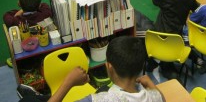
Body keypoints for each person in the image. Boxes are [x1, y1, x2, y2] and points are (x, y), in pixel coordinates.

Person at [18, 36, 165, 102]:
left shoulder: (101, 99)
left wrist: (69, 82)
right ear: (140, 68)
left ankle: (37, 96)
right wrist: (151, 84)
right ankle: (38, 97)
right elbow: (162, 99)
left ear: (109, 68)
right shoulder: (153, 96)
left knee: (27, 101)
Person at [149, 0, 199, 79]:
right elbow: (195, 8)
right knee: (178, 42)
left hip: (158, 35)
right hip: (176, 38)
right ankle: (192, 59)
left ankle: (166, 67)